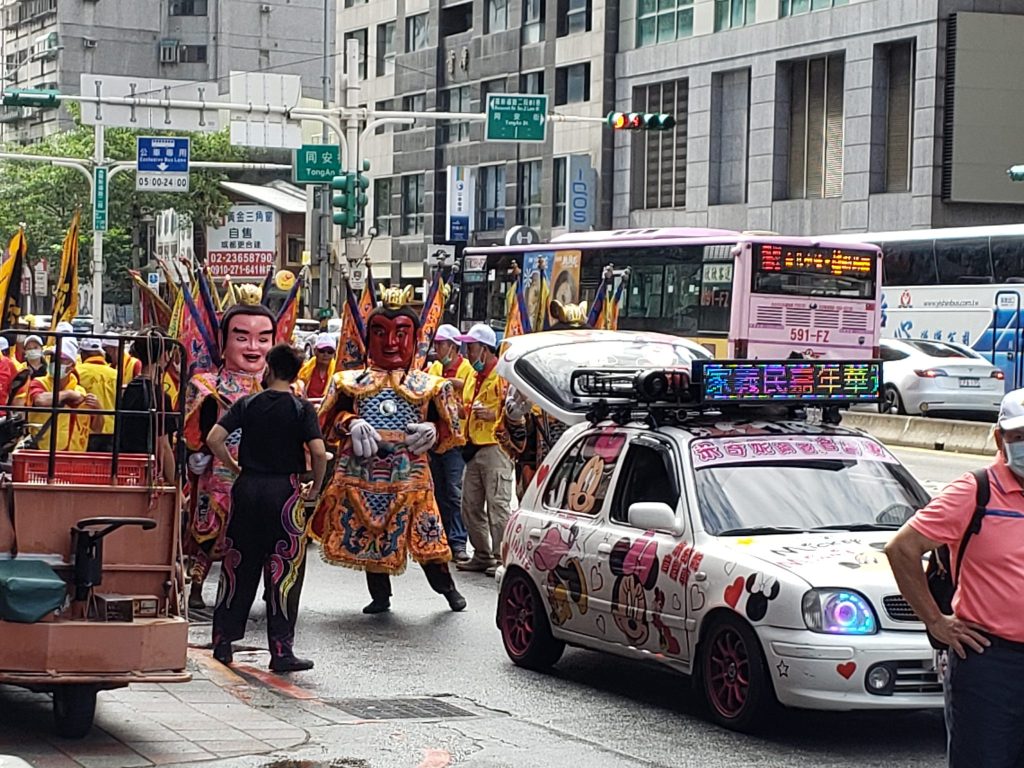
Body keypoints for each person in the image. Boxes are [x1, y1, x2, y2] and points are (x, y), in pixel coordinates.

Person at [885, 388, 1024, 768]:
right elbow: (902, 549)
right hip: (991, 662)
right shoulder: (976, 491)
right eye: (1019, 436)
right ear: (999, 439)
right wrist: (935, 621)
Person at [309, 286, 467, 614]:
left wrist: (432, 430)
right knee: (371, 535)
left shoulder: (431, 385)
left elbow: (451, 430)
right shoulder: (350, 382)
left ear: (415, 338)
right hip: (363, 474)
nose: (391, 342)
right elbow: (326, 422)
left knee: (428, 535)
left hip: (411, 475)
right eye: (380, 333)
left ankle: (447, 589)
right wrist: (350, 422)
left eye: (401, 333)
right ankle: (380, 595)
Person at [207, 343, 327, 672]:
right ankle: (281, 650)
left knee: (237, 565)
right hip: (284, 493)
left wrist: (234, 467)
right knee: (284, 570)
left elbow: (214, 439)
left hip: (248, 488)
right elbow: (318, 453)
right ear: (295, 374)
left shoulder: (247, 403)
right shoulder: (301, 409)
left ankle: (223, 641)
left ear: (269, 369)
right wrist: (315, 488)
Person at [184, 304, 275, 610]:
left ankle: (270, 590)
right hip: (220, 471)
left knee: (267, 535)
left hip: (266, 471)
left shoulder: (284, 387)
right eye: (242, 338)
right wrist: (197, 453)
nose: (253, 347)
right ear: (224, 341)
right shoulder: (207, 385)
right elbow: (195, 429)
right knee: (211, 532)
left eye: (263, 339)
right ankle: (197, 586)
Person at [454, 323, 514, 578]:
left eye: (472, 348)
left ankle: (503, 557)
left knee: (497, 506)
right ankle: (482, 554)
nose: (468, 353)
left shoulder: (503, 376)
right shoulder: (472, 376)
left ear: (485, 350)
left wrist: (494, 414)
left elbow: (517, 409)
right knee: (470, 505)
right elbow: (467, 405)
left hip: (495, 447)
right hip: (472, 447)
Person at [425, 324, 473, 562]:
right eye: (436, 343)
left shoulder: (467, 370)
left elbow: (468, 406)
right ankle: (442, 540)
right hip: (435, 439)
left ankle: (458, 540)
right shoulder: (434, 367)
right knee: (438, 492)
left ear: (453, 347)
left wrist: (451, 387)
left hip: (455, 441)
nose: (437, 348)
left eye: (441, 344)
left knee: (455, 492)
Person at [119, 332, 179, 485]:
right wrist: (175, 485)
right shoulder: (160, 397)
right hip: (148, 474)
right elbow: (163, 446)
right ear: (164, 355)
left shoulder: (129, 390)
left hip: (125, 470)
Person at [26, 339, 101, 452]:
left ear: (71, 366)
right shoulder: (39, 383)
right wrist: (68, 394)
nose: (54, 363)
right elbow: (40, 400)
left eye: (60, 360)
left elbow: (97, 429)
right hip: (44, 453)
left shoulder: (80, 391)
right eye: (53, 359)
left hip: (75, 455)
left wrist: (98, 409)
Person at [76, 337, 118, 452]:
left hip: (87, 431)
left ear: (83, 354)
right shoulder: (115, 374)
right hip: (112, 431)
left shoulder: (78, 372)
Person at [297, 334, 336, 400]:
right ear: (315, 351)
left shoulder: (338, 373)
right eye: (322, 351)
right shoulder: (303, 370)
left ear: (334, 354)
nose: (325, 354)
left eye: (330, 352)